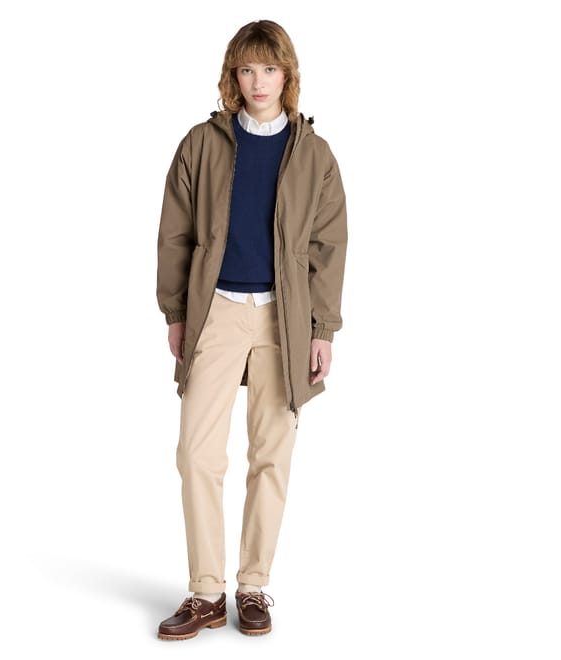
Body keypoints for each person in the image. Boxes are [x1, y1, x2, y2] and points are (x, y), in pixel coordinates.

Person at [155, 19, 347, 640]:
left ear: (286, 75)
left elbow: (328, 247)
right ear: (232, 76)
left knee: (272, 455)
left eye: (269, 69)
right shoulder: (201, 144)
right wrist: (176, 314)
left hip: (284, 320)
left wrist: (323, 328)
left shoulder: (313, 154)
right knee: (196, 453)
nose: (258, 81)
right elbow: (175, 234)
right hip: (215, 312)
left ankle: (253, 585)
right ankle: (206, 592)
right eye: (246, 69)